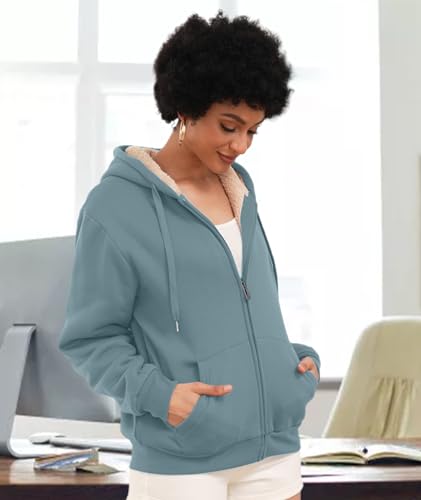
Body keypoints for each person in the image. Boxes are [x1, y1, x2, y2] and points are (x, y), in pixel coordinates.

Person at [59, 10, 321, 500]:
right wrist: (164, 397)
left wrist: (290, 363)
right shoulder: (114, 206)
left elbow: (242, 304)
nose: (241, 145)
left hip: (274, 453)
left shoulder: (240, 189)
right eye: (229, 126)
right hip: (182, 462)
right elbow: (89, 338)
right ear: (186, 107)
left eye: (253, 131)